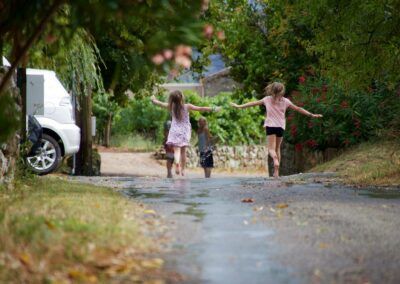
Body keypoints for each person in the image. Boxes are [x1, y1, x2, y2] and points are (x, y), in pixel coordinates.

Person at [230, 82, 322, 178]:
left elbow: (253, 103)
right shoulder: (286, 101)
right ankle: (276, 172)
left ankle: (275, 160)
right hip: (280, 127)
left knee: (271, 149)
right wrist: (312, 114)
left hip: (270, 126)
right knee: (277, 148)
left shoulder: (267, 99)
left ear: (272, 90)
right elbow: (298, 108)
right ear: (282, 91)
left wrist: (239, 106)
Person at [151, 90, 220, 176]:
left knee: (176, 150)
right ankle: (183, 169)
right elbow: (201, 108)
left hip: (175, 130)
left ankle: (177, 164)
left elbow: (160, 103)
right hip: (184, 130)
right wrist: (214, 108)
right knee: (183, 151)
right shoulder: (187, 106)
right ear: (181, 98)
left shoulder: (171, 106)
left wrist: (153, 100)